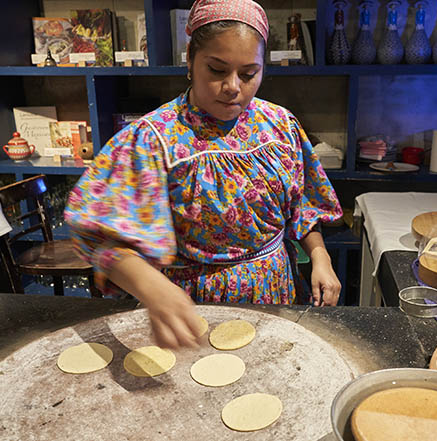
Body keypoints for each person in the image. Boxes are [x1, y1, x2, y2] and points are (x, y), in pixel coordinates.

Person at [64, 0, 343, 349]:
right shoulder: (153, 138)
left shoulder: (280, 126)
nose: (232, 87)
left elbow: (303, 205)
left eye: (248, 73)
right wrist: (151, 287)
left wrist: (319, 255)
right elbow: (97, 235)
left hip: (277, 293)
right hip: (193, 307)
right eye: (216, 69)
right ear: (190, 61)